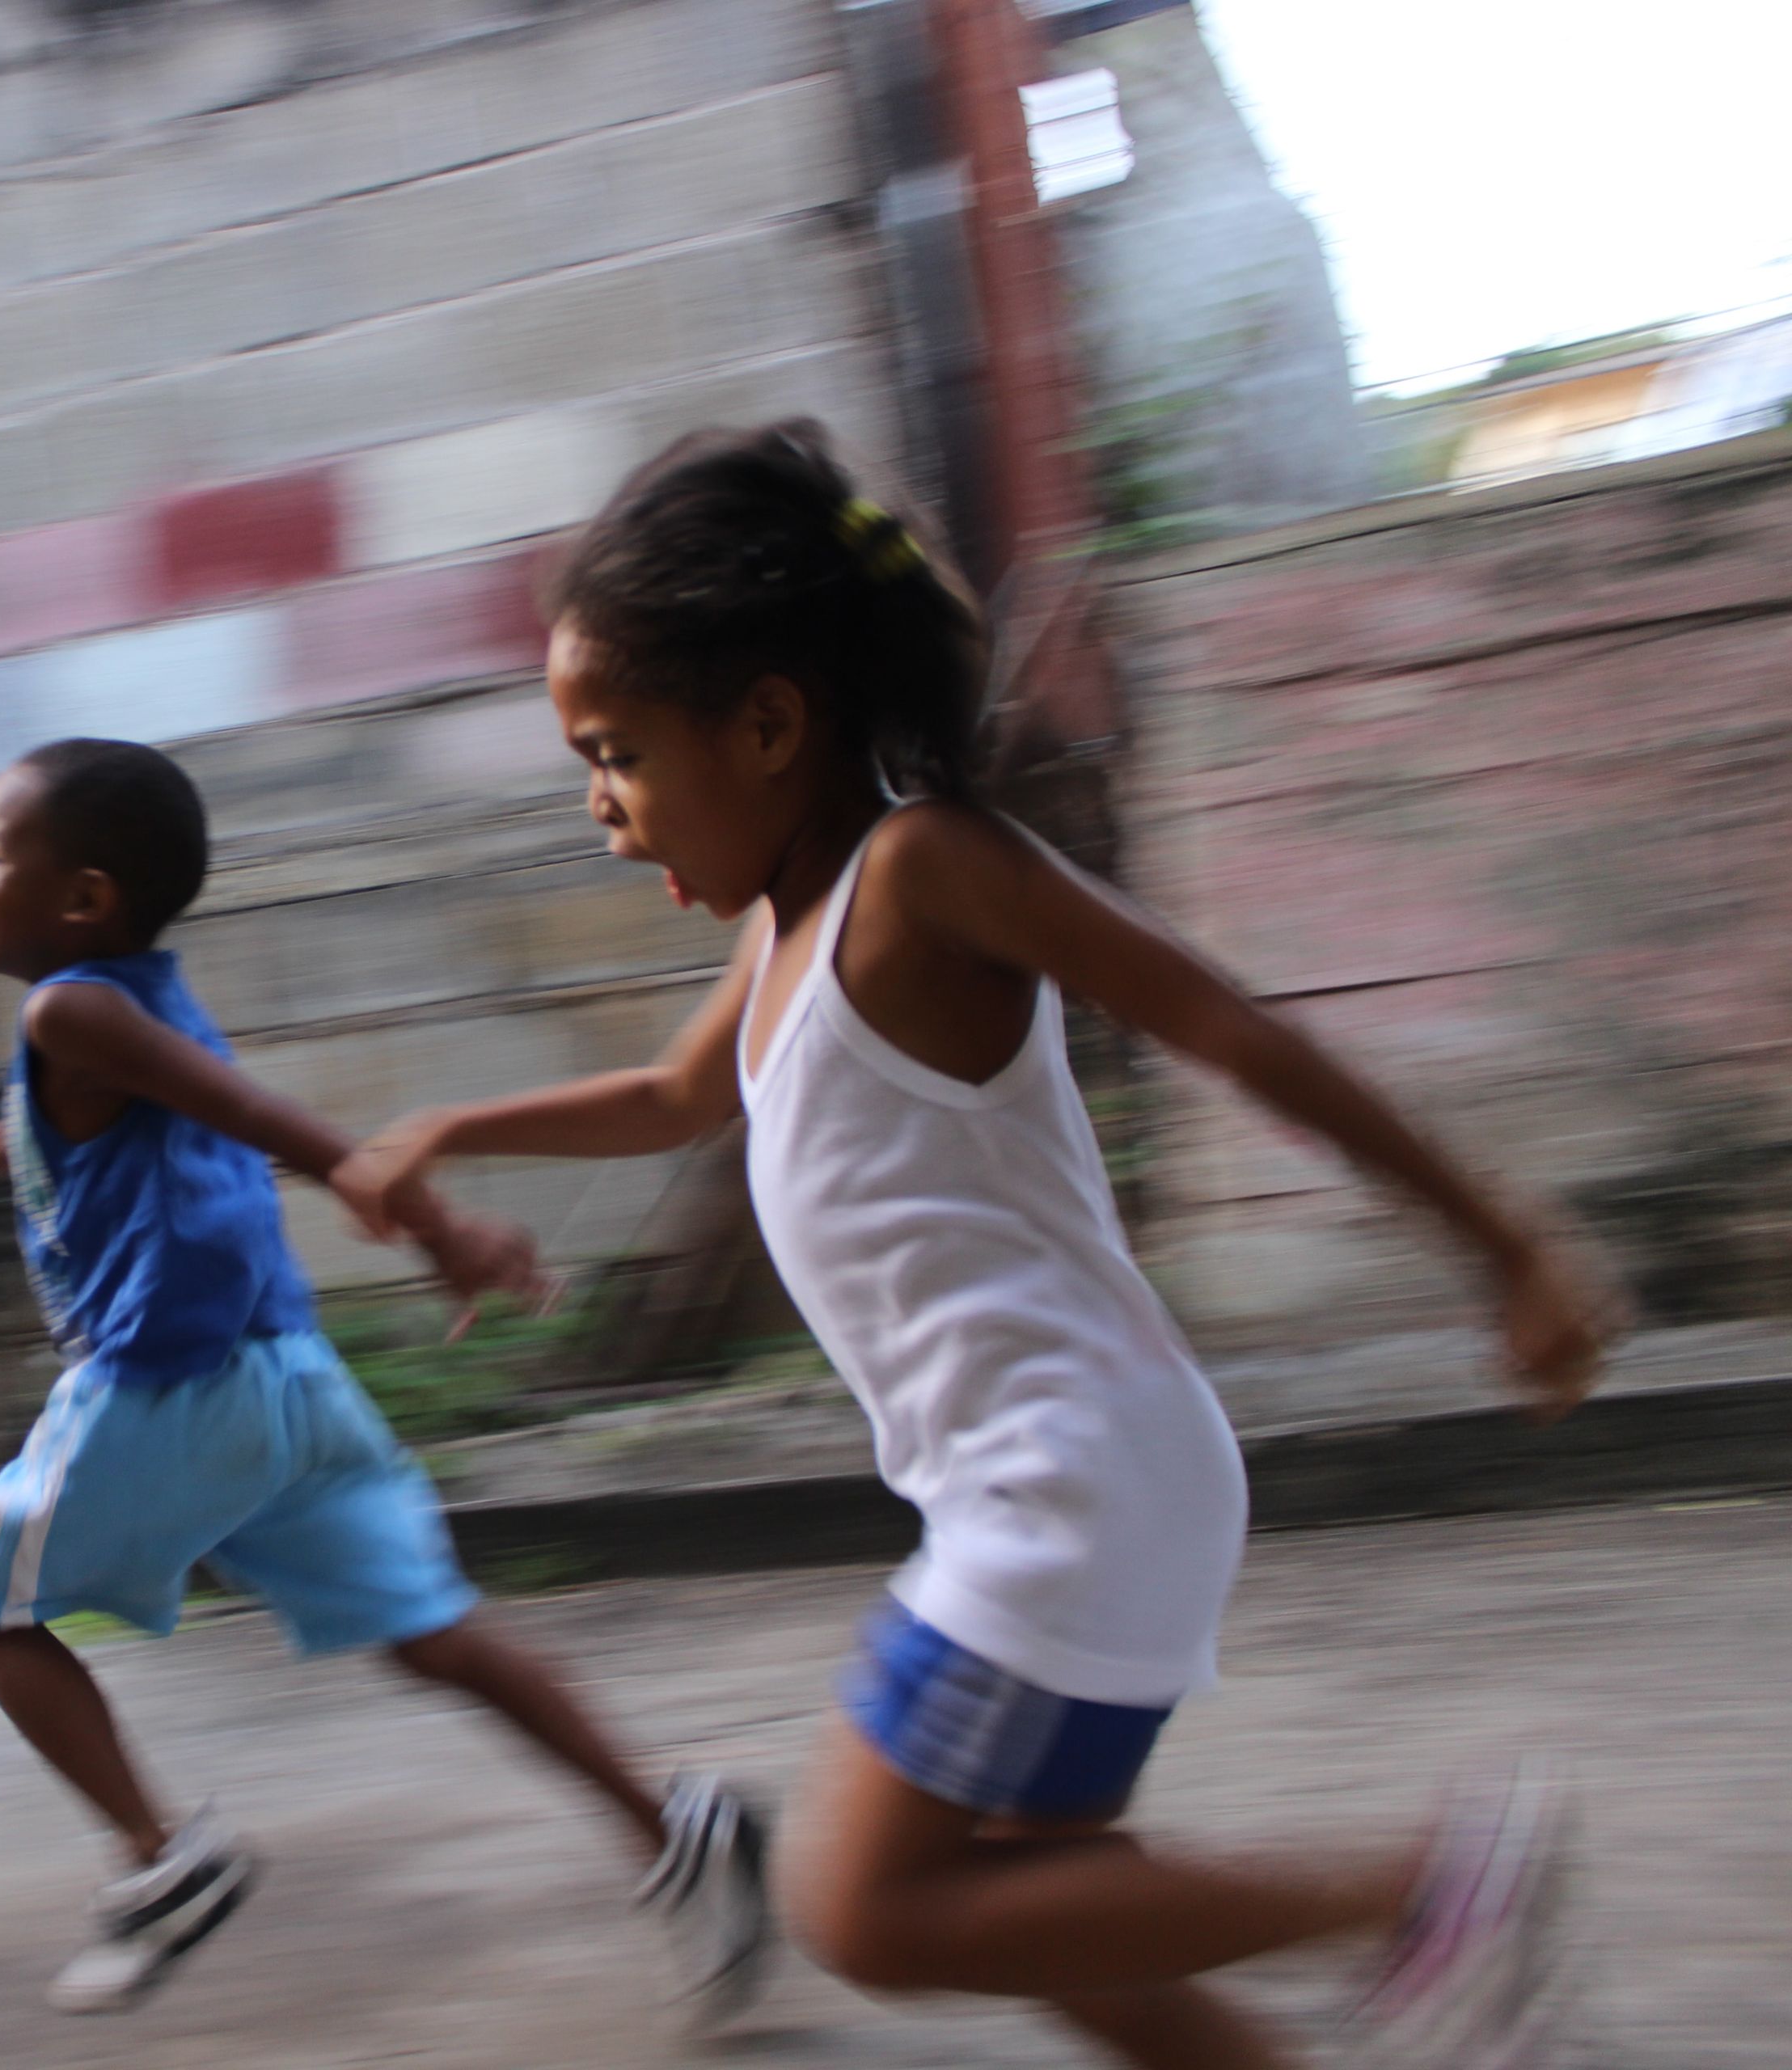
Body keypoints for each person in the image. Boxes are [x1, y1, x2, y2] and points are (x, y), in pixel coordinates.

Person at [338, 422, 1612, 2069]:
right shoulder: (784, 926)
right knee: (1038, 1908)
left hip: (1067, 1478)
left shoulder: (921, 869)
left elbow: (1224, 1024)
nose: (599, 806)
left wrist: (1504, 1241)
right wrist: (446, 1131)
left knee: (865, 1904)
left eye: (619, 752)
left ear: (771, 720)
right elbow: (672, 1092)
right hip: (1050, 1476)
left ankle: (1434, 1886)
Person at [0, 737, 772, 2020]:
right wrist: (28, 1141)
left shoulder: (68, 1011)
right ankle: (672, 1825)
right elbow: (168, 1118)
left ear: (84, 898)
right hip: (289, 1378)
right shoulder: (127, 1000)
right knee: (432, 1628)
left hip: (169, 1389)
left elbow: (264, 1121)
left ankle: (162, 1863)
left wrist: (437, 1221)